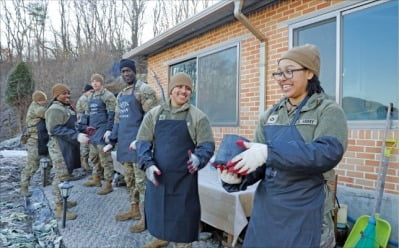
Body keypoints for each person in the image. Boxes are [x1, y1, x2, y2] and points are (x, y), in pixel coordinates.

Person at [217, 44, 348, 248]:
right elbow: (260, 164)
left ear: (310, 72)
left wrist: (270, 153)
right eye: (278, 73)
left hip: (306, 211)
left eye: (289, 71)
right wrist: (238, 177)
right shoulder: (269, 116)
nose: (282, 78)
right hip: (268, 210)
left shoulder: (328, 111)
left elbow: (327, 153)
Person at [136, 72, 215, 248]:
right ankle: (161, 237)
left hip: (184, 181)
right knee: (160, 216)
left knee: (182, 224)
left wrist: (198, 158)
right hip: (159, 179)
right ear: (171, 90)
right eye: (179, 86)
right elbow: (143, 143)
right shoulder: (154, 115)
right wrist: (147, 164)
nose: (183, 91)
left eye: (187, 88)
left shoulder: (198, 117)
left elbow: (207, 146)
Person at [102, 59, 159, 233]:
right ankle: (134, 210)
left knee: (142, 184)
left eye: (128, 70)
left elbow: (153, 119)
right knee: (130, 181)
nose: (126, 74)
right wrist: (112, 140)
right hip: (125, 146)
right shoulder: (121, 95)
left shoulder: (144, 90)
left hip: (140, 148)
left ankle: (146, 218)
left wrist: (142, 139)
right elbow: (118, 121)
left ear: (134, 71)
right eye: (123, 71)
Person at [45, 84, 90, 220]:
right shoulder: (54, 110)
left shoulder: (66, 108)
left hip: (67, 145)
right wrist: (76, 136)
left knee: (66, 174)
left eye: (68, 93)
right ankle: (59, 206)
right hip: (58, 147)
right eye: (64, 94)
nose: (67, 96)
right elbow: (55, 129)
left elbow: (71, 125)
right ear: (56, 96)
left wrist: (83, 129)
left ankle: (64, 200)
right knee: (60, 176)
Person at [81, 73, 116, 195]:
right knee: (94, 157)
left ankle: (108, 183)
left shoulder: (108, 95)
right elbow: (87, 114)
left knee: (105, 159)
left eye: (97, 81)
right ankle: (96, 178)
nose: (95, 83)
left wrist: (109, 130)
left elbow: (112, 114)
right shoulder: (90, 97)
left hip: (103, 130)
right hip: (92, 131)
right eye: (93, 81)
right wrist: (84, 129)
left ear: (101, 82)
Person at [20, 90, 52, 196]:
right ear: (38, 100)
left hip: (43, 139)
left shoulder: (39, 106)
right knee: (32, 165)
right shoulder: (36, 108)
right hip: (34, 141)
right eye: (43, 100)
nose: (44, 102)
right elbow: (47, 114)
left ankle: (46, 180)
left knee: (50, 162)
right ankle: (24, 187)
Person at [75, 84, 95, 174]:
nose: (92, 93)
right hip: (83, 123)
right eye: (91, 91)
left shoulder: (86, 98)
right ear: (87, 92)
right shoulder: (84, 99)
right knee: (84, 144)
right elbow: (88, 110)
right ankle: (84, 163)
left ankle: (85, 163)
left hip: (85, 122)